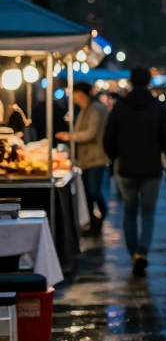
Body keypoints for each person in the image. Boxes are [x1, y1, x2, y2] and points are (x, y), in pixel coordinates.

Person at [104, 67, 166, 276]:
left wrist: (115, 156)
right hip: (152, 169)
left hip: (126, 168)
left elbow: (109, 138)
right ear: (149, 82)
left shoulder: (119, 108)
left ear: (131, 82)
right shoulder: (158, 107)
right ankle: (143, 249)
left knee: (129, 211)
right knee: (148, 213)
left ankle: (133, 251)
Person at [56, 82, 110, 233]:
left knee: (93, 191)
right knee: (87, 191)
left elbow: (91, 133)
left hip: (96, 158)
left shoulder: (96, 109)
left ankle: (101, 216)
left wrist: (69, 136)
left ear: (81, 94)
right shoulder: (86, 109)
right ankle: (93, 222)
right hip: (86, 159)